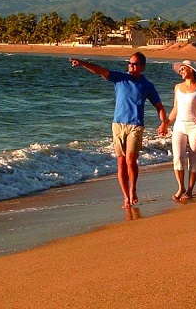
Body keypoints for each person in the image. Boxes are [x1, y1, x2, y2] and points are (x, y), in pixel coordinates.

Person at [70, 52, 168, 208]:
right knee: (121, 163)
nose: (131, 66)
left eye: (134, 64)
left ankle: (133, 189)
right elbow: (100, 70)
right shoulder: (120, 78)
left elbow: (159, 106)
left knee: (131, 160)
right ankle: (126, 197)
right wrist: (83, 63)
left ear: (142, 67)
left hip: (136, 125)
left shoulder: (147, 85)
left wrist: (164, 122)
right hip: (117, 125)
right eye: (129, 63)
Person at [166, 60, 196, 201]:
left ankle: (190, 190)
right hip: (179, 126)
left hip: (195, 127)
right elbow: (175, 109)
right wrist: (165, 124)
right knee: (177, 158)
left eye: (183, 69)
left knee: (193, 161)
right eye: (180, 70)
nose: (181, 71)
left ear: (191, 70)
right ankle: (181, 188)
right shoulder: (177, 87)